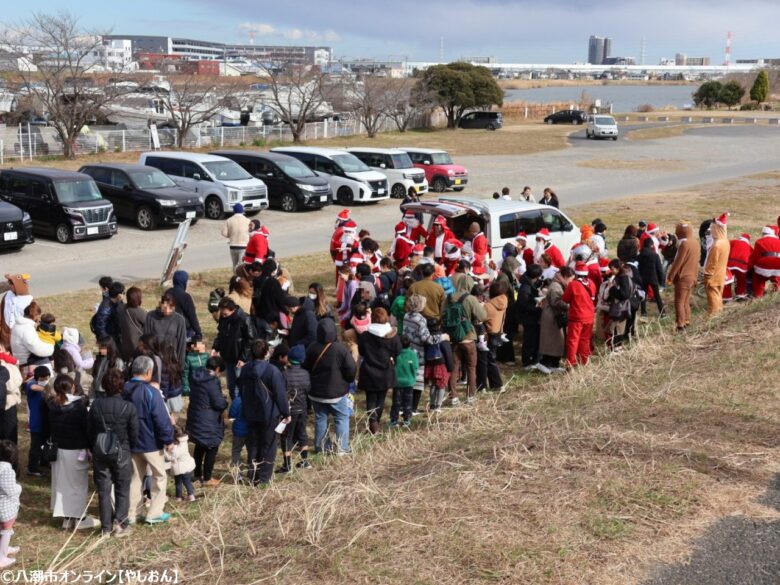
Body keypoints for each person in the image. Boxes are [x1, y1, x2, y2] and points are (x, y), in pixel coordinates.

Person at [122, 356, 175, 525]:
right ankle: (154, 512)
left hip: (130, 441)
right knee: (159, 477)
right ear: (149, 371)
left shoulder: (124, 389)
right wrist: (168, 439)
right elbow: (161, 418)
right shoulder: (151, 392)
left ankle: (131, 514)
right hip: (150, 442)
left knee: (135, 477)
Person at [87, 368, 138, 537]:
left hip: (100, 450)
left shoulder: (96, 404)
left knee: (103, 489)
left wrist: (91, 447)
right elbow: (134, 432)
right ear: (121, 385)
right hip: (122, 450)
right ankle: (121, 524)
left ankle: (106, 527)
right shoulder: (128, 407)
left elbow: (90, 429)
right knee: (123, 488)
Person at [47, 374, 100, 531]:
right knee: (78, 485)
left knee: (61, 484)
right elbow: (87, 430)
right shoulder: (78, 407)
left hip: (58, 450)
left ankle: (67, 518)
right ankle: (79, 518)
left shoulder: (51, 405)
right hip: (76, 450)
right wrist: (90, 448)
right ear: (73, 387)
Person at [238, 340, 290, 485]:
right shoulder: (273, 371)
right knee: (268, 445)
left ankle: (253, 474)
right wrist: (286, 413)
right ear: (266, 352)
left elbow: (241, 389)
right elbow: (280, 394)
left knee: (253, 444)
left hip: (250, 411)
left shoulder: (245, 369)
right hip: (269, 412)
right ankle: (264, 477)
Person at [303, 320, 356, 455]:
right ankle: (342, 448)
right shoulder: (341, 349)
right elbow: (351, 368)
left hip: (316, 392)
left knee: (320, 418)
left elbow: (305, 367)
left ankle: (321, 448)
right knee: (341, 418)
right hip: (337, 393)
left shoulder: (311, 347)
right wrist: (348, 381)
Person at [444, 273, 486, 406]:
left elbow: (442, 315)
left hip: (453, 338)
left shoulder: (448, 297)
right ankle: (470, 396)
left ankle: (453, 397)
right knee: (471, 367)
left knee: (454, 368)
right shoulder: (471, 299)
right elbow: (483, 316)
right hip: (468, 337)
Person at [357, 308, 401, 434]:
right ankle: (375, 424)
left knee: (370, 399)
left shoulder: (365, 335)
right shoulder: (392, 335)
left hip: (369, 371)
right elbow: (398, 350)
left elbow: (361, 351)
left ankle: (373, 424)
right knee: (381, 399)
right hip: (385, 371)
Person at [186, 356, 227, 487]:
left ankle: (197, 474)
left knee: (199, 445)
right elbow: (218, 403)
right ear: (218, 369)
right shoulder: (212, 381)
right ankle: (207, 478)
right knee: (212, 446)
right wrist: (225, 401)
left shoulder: (196, 376)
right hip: (208, 419)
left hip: (196, 415)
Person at [403, 295, 442, 413]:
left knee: (407, 380)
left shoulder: (406, 316)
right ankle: (413, 408)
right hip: (417, 354)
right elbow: (427, 339)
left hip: (406, 350)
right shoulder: (420, 319)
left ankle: (404, 407)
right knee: (417, 383)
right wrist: (442, 337)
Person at [213, 297, 257, 400]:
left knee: (239, 385)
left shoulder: (245, 319)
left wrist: (243, 358)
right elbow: (220, 334)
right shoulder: (224, 319)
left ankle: (240, 407)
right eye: (222, 314)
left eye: (225, 314)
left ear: (232, 310)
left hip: (239, 359)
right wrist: (216, 347)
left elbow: (251, 340)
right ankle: (235, 404)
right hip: (228, 357)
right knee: (231, 385)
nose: (223, 316)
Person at [277, 345, 311, 473]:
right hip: (302, 408)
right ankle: (304, 461)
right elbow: (308, 389)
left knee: (287, 436)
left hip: (289, 410)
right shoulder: (306, 373)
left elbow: (281, 392)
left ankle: (287, 465)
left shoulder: (284, 374)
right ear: (302, 360)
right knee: (302, 433)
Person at [666, 222, 700, 330]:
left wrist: (670, 276)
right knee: (686, 300)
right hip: (693, 276)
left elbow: (678, 262)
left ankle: (680, 324)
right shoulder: (695, 243)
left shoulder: (684, 245)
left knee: (679, 301)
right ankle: (687, 320)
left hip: (683, 277)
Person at [561, 262, 596, 367]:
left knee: (573, 340)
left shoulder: (573, 284)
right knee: (585, 339)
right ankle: (584, 361)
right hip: (589, 317)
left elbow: (565, 299)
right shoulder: (591, 283)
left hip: (576, 317)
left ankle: (571, 362)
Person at [539, 266, 572, 372]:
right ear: (566, 276)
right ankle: (544, 363)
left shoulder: (558, 284)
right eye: (571, 278)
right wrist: (569, 305)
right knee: (552, 342)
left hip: (555, 317)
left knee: (557, 342)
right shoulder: (555, 286)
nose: (572, 281)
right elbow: (556, 301)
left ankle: (554, 364)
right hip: (551, 317)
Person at [478, 281, 507, 392]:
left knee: (488, 361)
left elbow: (480, 317)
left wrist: (482, 305)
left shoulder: (489, 306)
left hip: (490, 334)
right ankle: (494, 385)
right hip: (498, 332)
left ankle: (497, 385)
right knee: (491, 359)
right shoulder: (504, 300)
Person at [144, 293, 187, 364]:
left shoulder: (179, 320)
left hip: (172, 360)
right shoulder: (150, 317)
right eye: (165, 307)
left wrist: (180, 365)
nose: (168, 310)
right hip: (155, 360)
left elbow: (182, 344)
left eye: (171, 308)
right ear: (161, 304)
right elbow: (146, 340)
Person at [516, 264, 544, 370]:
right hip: (528, 318)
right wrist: (538, 308)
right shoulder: (525, 288)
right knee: (529, 340)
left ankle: (533, 360)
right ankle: (527, 362)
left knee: (533, 339)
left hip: (531, 316)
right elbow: (523, 305)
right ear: (534, 276)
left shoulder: (528, 283)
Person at [10, 301, 53, 367]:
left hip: (21, 358)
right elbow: (36, 348)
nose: (38, 319)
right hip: (27, 362)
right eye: (38, 316)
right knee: (49, 361)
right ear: (34, 316)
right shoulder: (27, 329)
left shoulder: (17, 325)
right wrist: (51, 347)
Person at [703, 213, 730, 317]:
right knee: (718, 294)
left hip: (713, 275)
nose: (711, 231)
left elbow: (711, 263)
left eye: (712, 228)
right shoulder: (726, 241)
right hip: (721, 273)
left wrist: (707, 276)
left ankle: (713, 316)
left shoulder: (717, 245)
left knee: (713, 296)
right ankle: (719, 313)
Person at [25, 366, 49, 476]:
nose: (45, 380)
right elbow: (33, 387)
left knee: (46, 443)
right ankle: (32, 468)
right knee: (35, 446)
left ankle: (44, 461)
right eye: (42, 378)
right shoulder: (32, 384)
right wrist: (47, 389)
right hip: (36, 422)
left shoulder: (48, 384)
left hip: (46, 421)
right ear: (37, 377)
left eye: (46, 378)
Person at [165, 271, 202, 342]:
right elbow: (192, 316)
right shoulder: (185, 297)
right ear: (184, 282)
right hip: (183, 330)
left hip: (168, 328)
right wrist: (198, 332)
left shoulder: (168, 292)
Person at [0, 441, 20, 567]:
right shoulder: (7, 470)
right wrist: (19, 487)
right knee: (7, 530)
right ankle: (2, 557)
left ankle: (3, 548)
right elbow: (11, 490)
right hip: (4, 507)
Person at [390, 337, 419, 426]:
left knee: (396, 402)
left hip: (397, 382)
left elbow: (392, 365)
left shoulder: (396, 354)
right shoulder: (413, 354)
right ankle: (406, 420)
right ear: (410, 344)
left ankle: (394, 420)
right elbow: (416, 366)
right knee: (408, 401)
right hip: (409, 382)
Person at [0, 274, 32, 349]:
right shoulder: (7, 296)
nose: (10, 286)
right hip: (5, 335)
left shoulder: (28, 301)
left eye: (12, 284)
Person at [166, 426, 197, 502]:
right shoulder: (184, 441)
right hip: (186, 466)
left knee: (179, 483)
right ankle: (188, 495)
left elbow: (172, 457)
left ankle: (185, 496)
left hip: (181, 467)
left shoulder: (177, 447)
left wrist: (167, 452)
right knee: (186, 482)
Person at [116, 287, 147, 364]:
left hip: (125, 343)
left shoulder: (121, 308)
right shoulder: (140, 312)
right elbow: (148, 324)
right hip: (137, 345)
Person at [638, 237, 666, 317]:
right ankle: (662, 313)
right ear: (651, 245)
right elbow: (660, 269)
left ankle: (643, 312)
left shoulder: (639, 256)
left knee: (643, 295)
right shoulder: (655, 255)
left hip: (642, 278)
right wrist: (661, 280)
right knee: (657, 296)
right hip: (653, 277)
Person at [751, 225, 780, 298]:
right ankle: (777, 290)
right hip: (778, 263)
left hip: (764, 263)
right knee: (777, 276)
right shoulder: (778, 241)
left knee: (758, 279)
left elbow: (755, 256)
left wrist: (750, 267)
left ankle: (758, 294)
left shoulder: (759, 241)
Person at [93, 281, 124, 345]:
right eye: (123, 293)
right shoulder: (105, 308)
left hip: (114, 335)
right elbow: (100, 328)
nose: (124, 295)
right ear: (119, 295)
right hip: (106, 339)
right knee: (103, 354)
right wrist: (108, 341)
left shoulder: (117, 302)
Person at [221, 203, 251, 269]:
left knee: (234, 264)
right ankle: (240, 278)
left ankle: (235, 277)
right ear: (242, 210)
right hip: (244, 245)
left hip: (233, 245)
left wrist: (231, 235)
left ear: (234, 211)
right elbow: (251, 232)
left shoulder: (229, 220)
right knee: (241, 266)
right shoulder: (247, 221)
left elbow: (223, 233)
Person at [726, 233, 753, 301]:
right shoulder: (749, 247)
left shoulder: (734, 242)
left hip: (731, 263)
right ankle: (740, 295)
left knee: (727, 281)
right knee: (742, 280)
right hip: (743, 266)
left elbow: (725, 246)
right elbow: (752, 258)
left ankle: (726, 298)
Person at [228, 393, 249, 470]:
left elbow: (232, 415)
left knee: (236, 451)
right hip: (252, 430)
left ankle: (237, 472)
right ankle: (252, 472)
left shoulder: (237, 400)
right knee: (252, 451)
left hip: (239, 431)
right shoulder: (256, 398)